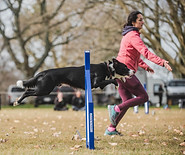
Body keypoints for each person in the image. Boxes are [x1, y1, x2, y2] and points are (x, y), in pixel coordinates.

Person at [104, 10, 172, 136]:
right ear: (133, 22)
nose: (143, 22)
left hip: (119, 72)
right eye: (140, 20)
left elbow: (135, 57)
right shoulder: (133, 36)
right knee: (144, 97)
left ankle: (111, 129)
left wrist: (145, 67)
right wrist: (161, 62)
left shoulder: (128, 35)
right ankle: (115, 109)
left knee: (127, 100)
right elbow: (145, 52)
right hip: (125, 72)